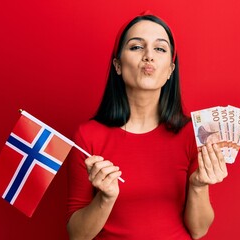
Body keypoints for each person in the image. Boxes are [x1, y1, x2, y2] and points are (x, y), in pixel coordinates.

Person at [66, 12, 228, 240]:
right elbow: (77, 236)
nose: (149, 56)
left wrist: (198, 186)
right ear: (118, 65)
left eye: (160, 49)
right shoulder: (88, 136)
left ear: (171, 70)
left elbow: (199, 230)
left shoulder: (193, 132)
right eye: (136, 47)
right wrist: (105, 199)